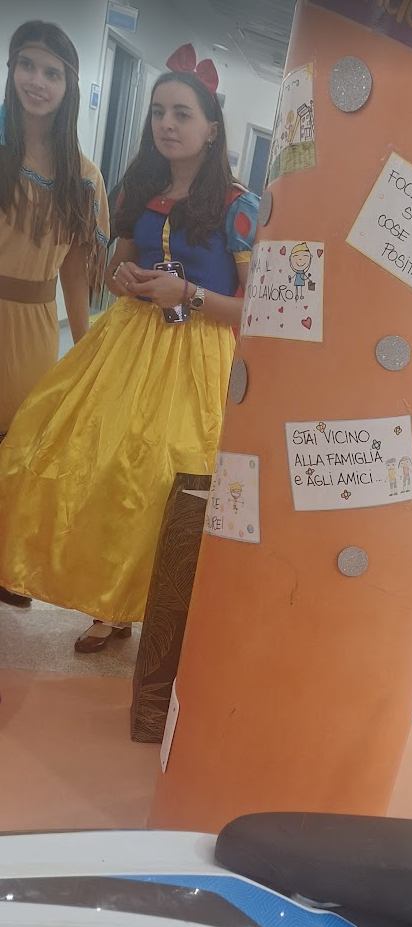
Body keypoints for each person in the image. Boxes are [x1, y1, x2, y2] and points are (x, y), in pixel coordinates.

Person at [0, 44, 258, 651]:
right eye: (158, 112)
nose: (167, 124)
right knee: (88, 459)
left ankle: (154, 609)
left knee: (166, 479)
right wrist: (123, 278)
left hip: (195, 360)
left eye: (182, 114)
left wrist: (189, 294)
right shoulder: (139, 187)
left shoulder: (237, 206)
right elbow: (117, 267)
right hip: (126, 345)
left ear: (212, 129)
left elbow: (257, 308)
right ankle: (108, 601)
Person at [0, 21, 108, 609]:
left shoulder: (83, 177)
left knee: (18, 448)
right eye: (26, 66)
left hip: (35, 326)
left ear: (69, 86)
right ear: (11, 70)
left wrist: (85, 346)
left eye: (51, 72)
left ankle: (4, 564)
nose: (36, 81)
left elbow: (74, 267)